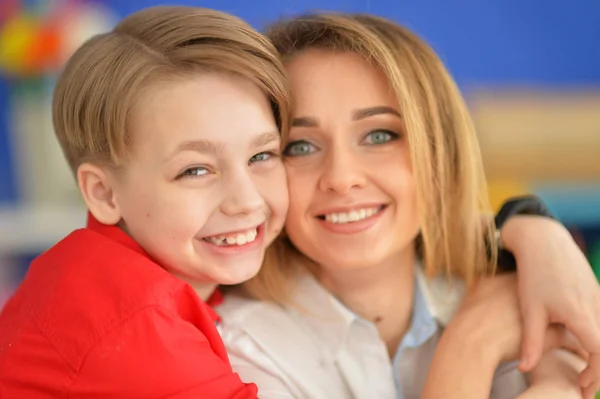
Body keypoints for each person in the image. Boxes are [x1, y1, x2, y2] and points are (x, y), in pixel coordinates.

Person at [216, 12, 600, 399]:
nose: (341, 177)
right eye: (300, 146)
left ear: (441, 152)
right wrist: (473, 344)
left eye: (379, 135)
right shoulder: (240, 350)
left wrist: (536, 230)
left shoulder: (520, 293)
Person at [0, 6, 290, 398]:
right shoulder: (135, 327)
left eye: (261, 156)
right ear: (104, 194)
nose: (245, 200)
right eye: (195, 170)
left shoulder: (98, 272)